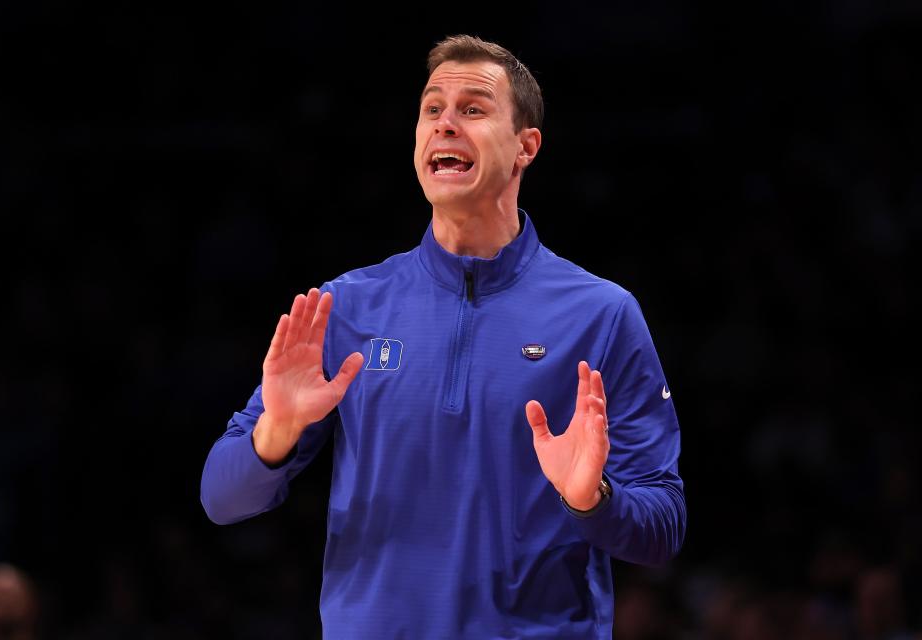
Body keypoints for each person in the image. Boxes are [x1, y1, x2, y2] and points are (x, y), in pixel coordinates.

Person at [201, 34, 685, 638]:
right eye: (432, 109)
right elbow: (222, 498)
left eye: (473, 109)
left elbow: (663, 527)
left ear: (525, 147)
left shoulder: (602, 314)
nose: (445, 124)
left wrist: (593, 498)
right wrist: (278, 430)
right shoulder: (346, 307)